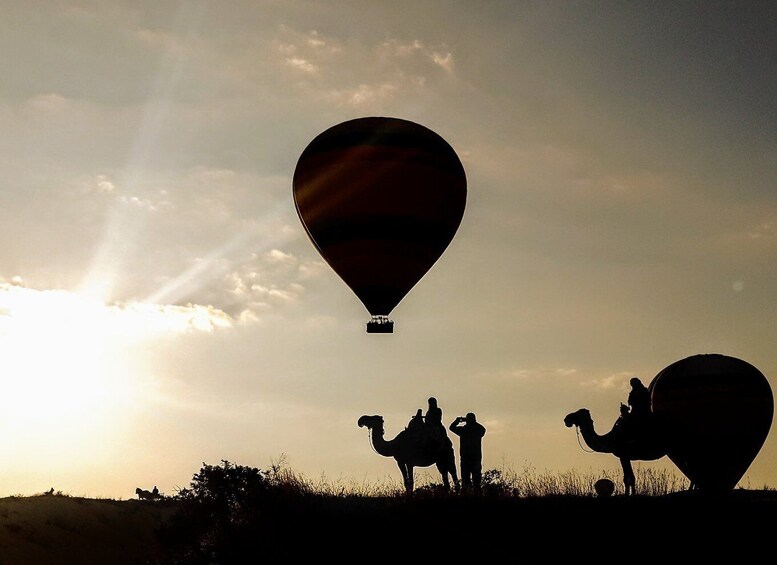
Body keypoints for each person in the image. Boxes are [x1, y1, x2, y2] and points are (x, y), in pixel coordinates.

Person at [449, 413, 486, 493]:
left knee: (467, 482)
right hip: (475, 459)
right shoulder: (477, 430)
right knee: (476, 482)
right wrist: (473, 422)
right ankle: (475, 496)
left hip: (467, 459)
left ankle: (468, 497)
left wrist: (457, 421)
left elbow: (452, 427)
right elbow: (483, 429)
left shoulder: (463, 430)